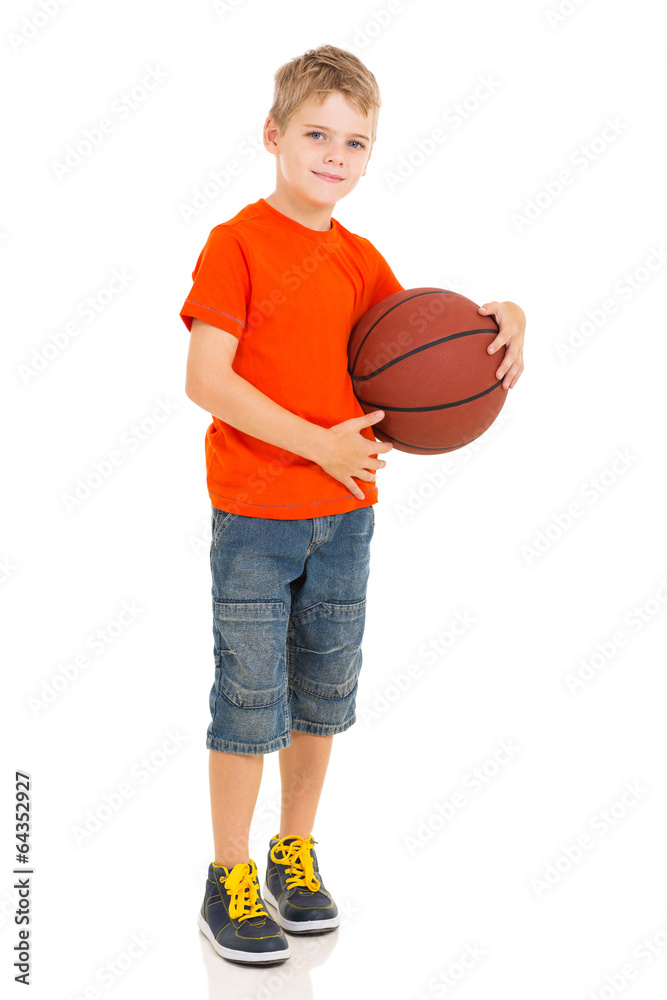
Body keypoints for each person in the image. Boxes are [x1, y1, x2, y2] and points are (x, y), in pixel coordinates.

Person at [179, 43, 526, 966]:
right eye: (317, 135)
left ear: (371, 155)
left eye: (356, 142)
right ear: (273, 136)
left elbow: (420, 340)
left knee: (322, 698)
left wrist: (507, 319)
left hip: (346, 520)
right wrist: (318, 443)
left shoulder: (361, 258)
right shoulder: (237, 243)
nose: (335, 156)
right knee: (249, 701)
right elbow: (204, 379)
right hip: (255, 518)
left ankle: (294, 855)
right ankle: (227, 875)